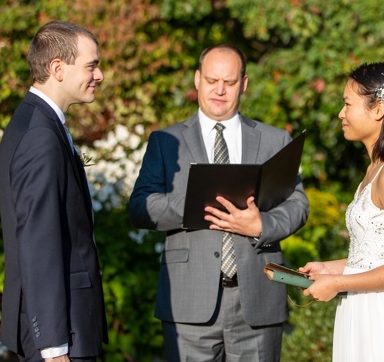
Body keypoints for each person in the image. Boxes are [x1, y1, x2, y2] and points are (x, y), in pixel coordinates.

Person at [127, 44, 309, 361]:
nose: (220, 90)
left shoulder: (274, 139)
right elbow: (140, 206)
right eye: (212, 80)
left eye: (230, 82)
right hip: (188, 300)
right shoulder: (166, 141)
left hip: (257, 297)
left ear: (245, 84)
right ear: (197, 80)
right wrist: (194, 204)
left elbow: (298, 203)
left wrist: (262, 225)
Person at [300, 62, 384, 361]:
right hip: (364, 307)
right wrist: (330, 268)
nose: (341, 113)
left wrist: (338, 283)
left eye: (347, 104)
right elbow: (376, 253)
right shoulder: (375, 168)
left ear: (378, 110)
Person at [0, 21, 108, 361]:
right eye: (91, 65)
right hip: (62, 337)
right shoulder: (41, 136)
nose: (99, 75)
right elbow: (39, 241)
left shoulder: (37, 122)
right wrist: (54, 346)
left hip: (67, 328)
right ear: (57, 68)